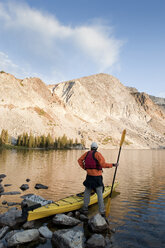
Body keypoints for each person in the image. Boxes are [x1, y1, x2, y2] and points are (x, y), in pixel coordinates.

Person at [78, 142, 118, 217]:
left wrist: (85, 168)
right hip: (97, 177)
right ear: (96, 148)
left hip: (89, 176)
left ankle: (85, 209)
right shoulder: (98, 154)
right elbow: (103, 164)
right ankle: (102, 211)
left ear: (91, 147)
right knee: (100, 194)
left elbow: (79, 160)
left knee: (87, 192)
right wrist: (113, 165)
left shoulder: (86, 154)